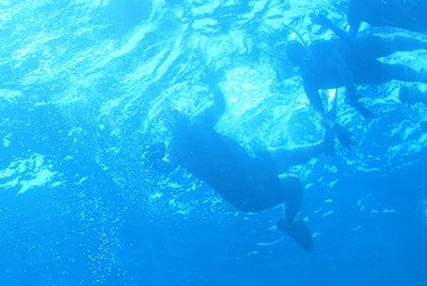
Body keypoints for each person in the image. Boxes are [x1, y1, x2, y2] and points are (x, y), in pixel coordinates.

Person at [144, 82, 335, 251]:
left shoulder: (196, 124)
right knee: (294, 184)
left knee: (275, 155)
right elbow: (167, 165)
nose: (179, 117)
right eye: (173, 118)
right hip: (244, 192)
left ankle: (322, 146)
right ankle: (288, 224)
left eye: (176, 114)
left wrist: (213, 84)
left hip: (250, 168)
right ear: (172, 126)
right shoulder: (177, 145)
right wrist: (154, 160)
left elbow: (219, 104)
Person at [286, 17, 427, 126]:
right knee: (392, 72)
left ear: (305, 49)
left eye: (305, 57)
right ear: (296, 66)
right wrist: (336, 125)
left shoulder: (318, 46)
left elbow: (342, 68)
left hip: (358, 49)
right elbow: (320, 113)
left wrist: (353, 99)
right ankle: (421, 78)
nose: (306, 63)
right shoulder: (309, 80)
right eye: (301, 63)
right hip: (359, 72)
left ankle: (423, 46)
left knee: (392, 44)